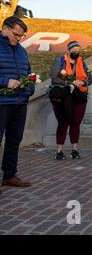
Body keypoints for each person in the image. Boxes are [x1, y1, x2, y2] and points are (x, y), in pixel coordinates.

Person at [0, 16, 33, 190]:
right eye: (16, 34)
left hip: (20, 102)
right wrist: (5, 82)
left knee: (14, 139)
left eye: (21, 36)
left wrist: (30, 87)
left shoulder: (21, 51)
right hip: (2, 102)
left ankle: (9, 175)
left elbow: (28, 71)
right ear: (5, 28)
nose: (18, 38)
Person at [50, 41, 92, 160]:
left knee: (76, 123)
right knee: (63, 122)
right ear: (68, 51)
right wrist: (71, 82)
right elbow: (54, 79)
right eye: (74, 51)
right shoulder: (59, 61)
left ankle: (74, 150)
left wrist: (82, 82)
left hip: (79, 95)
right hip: (63, 96)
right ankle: (59, 151)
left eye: (78, 51)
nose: (76, 53)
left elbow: (90, 78)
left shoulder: (81, 62)